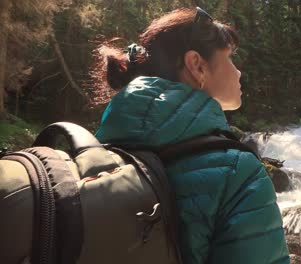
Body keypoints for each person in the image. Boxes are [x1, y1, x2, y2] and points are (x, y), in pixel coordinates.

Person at [93, 7, 290, 264]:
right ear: (197, 65)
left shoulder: (100, 152)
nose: (238, 72)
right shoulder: (237, 172)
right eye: (230, 58)